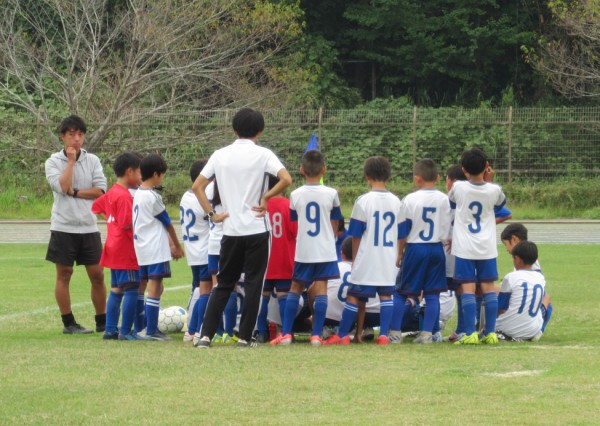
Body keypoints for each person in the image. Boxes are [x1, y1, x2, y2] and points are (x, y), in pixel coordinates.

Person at [192, 108, 292, 348]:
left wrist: (213, 214)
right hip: (256, 227)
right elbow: (286, 179)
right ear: (260, 130)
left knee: (224, 283)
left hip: (230, 229)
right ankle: (245, 337)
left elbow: (197, 186)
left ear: (234, 130)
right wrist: (267, 198)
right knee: (254, 284)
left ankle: (205, 336)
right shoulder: (263, 154)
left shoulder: (220, 154)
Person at [325, 156, 406, 345]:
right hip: (387, 257)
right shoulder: (397, 202)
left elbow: (355, 234)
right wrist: (399, 253)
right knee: (386, 295)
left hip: (367, 258)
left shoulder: (363, 201)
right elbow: (402, 234)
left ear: (367, 176)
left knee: (354, 295)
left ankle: (343, 335)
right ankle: (384, 335)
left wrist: (355, 258)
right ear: (388, 176)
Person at [271, 149, 343, 346]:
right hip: (325, 249)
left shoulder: (295, 195)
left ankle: (286, 333)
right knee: (321, 290)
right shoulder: (332, 193)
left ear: (301, 170)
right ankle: (316, 335)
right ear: (324, 170)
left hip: (303, 249)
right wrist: (330, 239)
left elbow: (297, 221)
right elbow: (335, 222)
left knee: (295, 288)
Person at [45, 115, 108, 334]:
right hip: (63, 227)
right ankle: (68, 323)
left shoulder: (93, 161)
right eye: (71, 134)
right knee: (64, 274)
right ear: (62, 136)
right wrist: (70, 162)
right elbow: (62, 186)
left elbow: (100, 191)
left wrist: (75, 192)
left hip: (89, 227)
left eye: (80, 134)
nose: (76, 139)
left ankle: (102, 321)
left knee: (98, 275)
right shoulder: (53, 161)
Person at [387, 159, 451, 343]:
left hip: (416, 248)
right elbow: (447, 227)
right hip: (436, 248)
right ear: (438, 178)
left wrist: (400, 252)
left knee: (401, 291)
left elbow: (403, 230)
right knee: (432, 294)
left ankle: (395, 333)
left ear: (417, 179)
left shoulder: (409, 200)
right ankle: (427, 334)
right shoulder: (444, 199)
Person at [448, 148, 506, 345]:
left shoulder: (458, 188)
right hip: (487, 247)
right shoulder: (494, 189)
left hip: (464, 247)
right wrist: (488, 180)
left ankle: (470, 333)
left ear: (464, 170)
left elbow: (453, 203)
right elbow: (499, 204)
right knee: (489, 288)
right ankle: (490, 332)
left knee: (468, 288)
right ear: (486, 167)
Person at [132, 154, 184, 341]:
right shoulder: (153, 197)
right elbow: (168, 223)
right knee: (155, 286)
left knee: (144, 285)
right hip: (155, 248)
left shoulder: (137, 193)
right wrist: (177, 246)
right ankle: (152, 330)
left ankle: (141, 326)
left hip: (141, 247)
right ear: (156, 174)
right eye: (162, 175)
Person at [91, 152, 143, 340]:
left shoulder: (112, 192)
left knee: (116, 289)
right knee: (132, 288)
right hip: (125, 249)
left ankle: (110, 329)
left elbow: (97, 207)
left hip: (112, 246)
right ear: (130, 172)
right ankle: (126, 331)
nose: (140, 177)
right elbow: (127, 223)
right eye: (139, 172)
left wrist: (110, 222)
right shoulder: (124, 197)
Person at [256, 175, 297, 343]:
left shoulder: (261, 205)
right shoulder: (289, 205)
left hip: (263, 259)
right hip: (283, 258)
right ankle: (286, 331)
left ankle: (261, 332)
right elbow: (296, 233)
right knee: (283, 296)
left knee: (262, 297)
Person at [180, 160, 213, 343]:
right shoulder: (203, 200)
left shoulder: (186, 196)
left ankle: (190, 331)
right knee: (204, 290)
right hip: (204, 250)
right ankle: (198, 328)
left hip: (192, 251)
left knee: (197, 289)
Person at [500, 223, 552, 335]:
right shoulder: (528, 258)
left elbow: (542, 296)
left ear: (513, 239)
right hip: (530, 315)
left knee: (487, 292)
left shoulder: (526, 263)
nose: (506, 249)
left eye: (505, 244)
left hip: (528, 314)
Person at [496, 241, 547, 341]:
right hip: (532, 330)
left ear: (517, 259)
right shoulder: (540, 278)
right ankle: (539, 331)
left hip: (508, 329)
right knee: (547, 300)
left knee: (488, 298)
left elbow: (501, 308)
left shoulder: (510, 277)